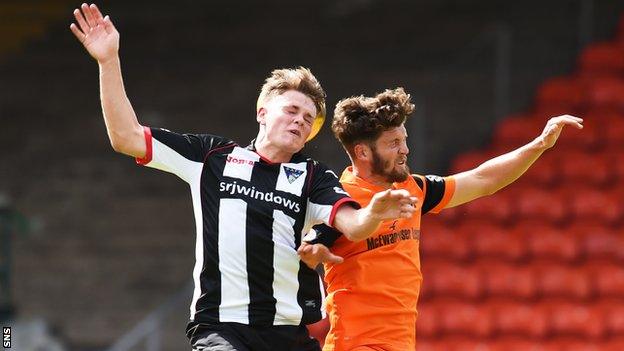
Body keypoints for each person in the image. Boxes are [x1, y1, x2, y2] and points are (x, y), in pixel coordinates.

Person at [70, 4, 418, 351]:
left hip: (288, 336)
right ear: (262, 113)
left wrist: (373, 212)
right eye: (292, 110)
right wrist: (108, 60)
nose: (300, 121)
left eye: (308, 117)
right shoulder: (212, 157)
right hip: (223, 329)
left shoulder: (313, 176)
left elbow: (353, 224)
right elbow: (125, 137)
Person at [299, 87, 583, 351]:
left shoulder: (414, 188)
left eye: (404, 141)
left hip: (400, 343)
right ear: (362, 152)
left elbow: (483, 180)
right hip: (356, 344)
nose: (405, 150)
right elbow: (300, 256)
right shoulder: (337, 201)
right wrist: (312, 257)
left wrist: (539, 145)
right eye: (394, 143)